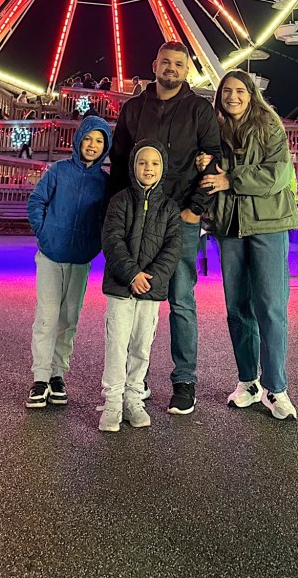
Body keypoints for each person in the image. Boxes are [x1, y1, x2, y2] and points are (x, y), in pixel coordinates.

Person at [109, 40, 221, 416]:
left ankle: (184, 380)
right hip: (138, 216)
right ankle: (130, 382)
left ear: (187, 70)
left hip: (180, 217)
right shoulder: (133, 109)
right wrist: (117, 211)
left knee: (181, 299)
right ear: (154, 65)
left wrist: (195, 210)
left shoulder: (199, 110)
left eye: (178, 63)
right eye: (166, 62)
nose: (171, 68)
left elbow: (214, 159)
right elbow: (119, 162)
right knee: (132, 298)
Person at [198, 71, 298, 420]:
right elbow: (208, 173)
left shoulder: (269, 126)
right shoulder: (214, 129)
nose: (233, 96)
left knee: (271, 307)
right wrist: (207, 166)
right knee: (237, 307)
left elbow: (277, 173)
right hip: (230, 226)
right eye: (227, 91)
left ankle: (276, 387)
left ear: (251, 93)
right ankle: (248, 381)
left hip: (269, 223)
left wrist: (230, 178)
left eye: (240, 90)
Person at [26, 116, 112, 410]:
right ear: (79, 140)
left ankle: (57, 374)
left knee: (69, 319)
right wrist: (44, 232)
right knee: (47, 316)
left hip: (80, 259)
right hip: (51, 255)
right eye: (88, 138)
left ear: (105, 147)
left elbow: (106, 218)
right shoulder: (59, 171)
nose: (92, 145)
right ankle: (40, 377)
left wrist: (94, 244)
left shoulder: (104, 182)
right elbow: (36, 201)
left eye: (99, 141)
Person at [99, 140, 182, 432]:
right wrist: (132, 274)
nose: (149, 168)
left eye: (155, 163)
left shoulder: (170, 208)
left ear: (163, 168)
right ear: (133, 166)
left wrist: (151, 278)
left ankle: (133, 398)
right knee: (117, 345)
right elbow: (112, 240)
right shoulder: (119, 201)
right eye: (143, 162)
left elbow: (173, 248)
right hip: (121, 286)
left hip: (150, 291)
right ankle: (112, 402)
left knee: (141, 347)